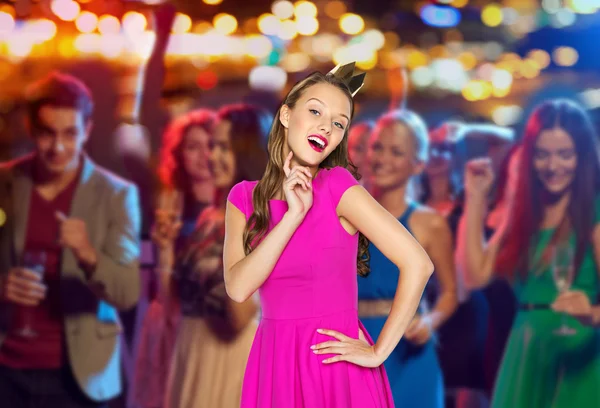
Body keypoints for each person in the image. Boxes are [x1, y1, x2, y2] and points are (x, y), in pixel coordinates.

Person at [224, 63, 434, 407]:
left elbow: (417, 263)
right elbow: (238, 287)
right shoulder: (243, 198)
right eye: (315, 111)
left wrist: (378, 351)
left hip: (334, 367)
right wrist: (293, 216)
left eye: (339, 123)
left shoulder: (338, 187)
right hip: (274, 366)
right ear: (286, 115)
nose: (326, 125)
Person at [0, 72, 141, 407]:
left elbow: (127, 291)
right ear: (31, 128)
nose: (59, 147)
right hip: (6, 368)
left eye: (70, 134)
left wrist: (87, 253)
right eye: (48, 133)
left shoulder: (116, 195)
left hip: (79, 376)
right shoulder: (6, 182)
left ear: (87, 130)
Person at [458, 99, 600, 407]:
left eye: (565, 155)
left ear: (584, 156)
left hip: (581, 361)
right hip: (525, 354)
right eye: (542, 155)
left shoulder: (595, 214)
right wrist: (476, 197)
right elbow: (475, 275)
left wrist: (592, 313)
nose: (553, 166)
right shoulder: (524, 214)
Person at [164, 103, 271, 407]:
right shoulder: (209, 216)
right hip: (191, 350)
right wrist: (165, 248)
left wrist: (233, 233)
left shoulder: (260, 220)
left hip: (231, 356)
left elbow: (238, 317)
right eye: (212, 146)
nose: (211, 157)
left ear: (247, 151)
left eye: (223, 147)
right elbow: (177, 302)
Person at [359, 110, 457, 407]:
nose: (383, 158)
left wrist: (429, 321)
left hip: (407, 353)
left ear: (418, 165)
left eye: (397, 152)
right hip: (355, 345)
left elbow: (451, 293)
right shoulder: (346, 216)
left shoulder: (430, 224)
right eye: (377, 147)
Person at [133, 109, 215, 408]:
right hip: (175, 318)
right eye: (193, 147)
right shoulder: (171, 204)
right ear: (178, 154)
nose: (204, 155)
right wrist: (165, 248)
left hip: (221, 320)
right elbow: (164, 288)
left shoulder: (236, 201)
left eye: (211, 145)